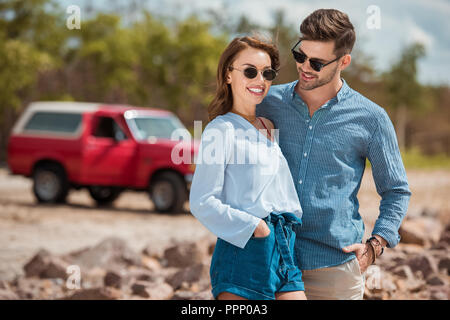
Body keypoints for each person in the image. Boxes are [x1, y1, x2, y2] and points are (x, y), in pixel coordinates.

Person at [256, 9, 411, 300]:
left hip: (335, 270)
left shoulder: (371, 118)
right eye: (300, 56)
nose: (304, 66)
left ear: (344, 61)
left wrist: (374, 247)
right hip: (270, 261)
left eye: (316, 62)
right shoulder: (268, 102)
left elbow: (397, 190)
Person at [189, 36, 307, 300]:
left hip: (284, 246)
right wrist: (256, 226)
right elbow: (201, 200)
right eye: (250, 71)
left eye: (267, 73)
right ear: (228, 75)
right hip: (245, 249)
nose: (260, 80)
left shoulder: (268, 126)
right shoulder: (220, 130)